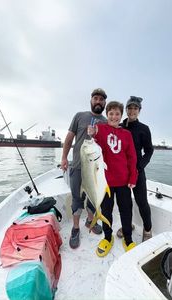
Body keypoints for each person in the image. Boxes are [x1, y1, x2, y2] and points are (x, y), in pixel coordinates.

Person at [88, 101, 138, 257]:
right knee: (106, 211)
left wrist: (133, 177)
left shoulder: (127, 134)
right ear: (107, 115)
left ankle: (128, 239)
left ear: (121, 115)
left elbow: (132, 157)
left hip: (123, 181)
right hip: (105, 183)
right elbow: (93, 140)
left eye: (117, 114)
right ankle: (107, 237)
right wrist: (92, 132)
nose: (114, 116)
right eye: (111, 113)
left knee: (126, 211)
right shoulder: (101, 129)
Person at [61, 88, 107, 249]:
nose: (98, 101)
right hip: (77, 167)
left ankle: (90, 221)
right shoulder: (79, 116)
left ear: (104, 103)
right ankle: (75, 228)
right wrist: (64, 157)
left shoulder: (106, 122)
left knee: (94, 198)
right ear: (91, 100)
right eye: (96, 98)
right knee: (77, 199)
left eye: (101, 99)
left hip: (95, 168)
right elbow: (69, 139)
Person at [116, 96, 154, 242]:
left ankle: (148, 228)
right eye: (130, 108)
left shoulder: (144, 129)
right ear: (125, 109)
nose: (132, 111)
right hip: (121, 173)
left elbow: (149, 151)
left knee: (141, 202)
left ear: (139, 111)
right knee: (125, 204)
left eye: (135, 108)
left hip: (137, 172)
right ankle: (128, 226)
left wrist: (140, 166)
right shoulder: (119, 127)